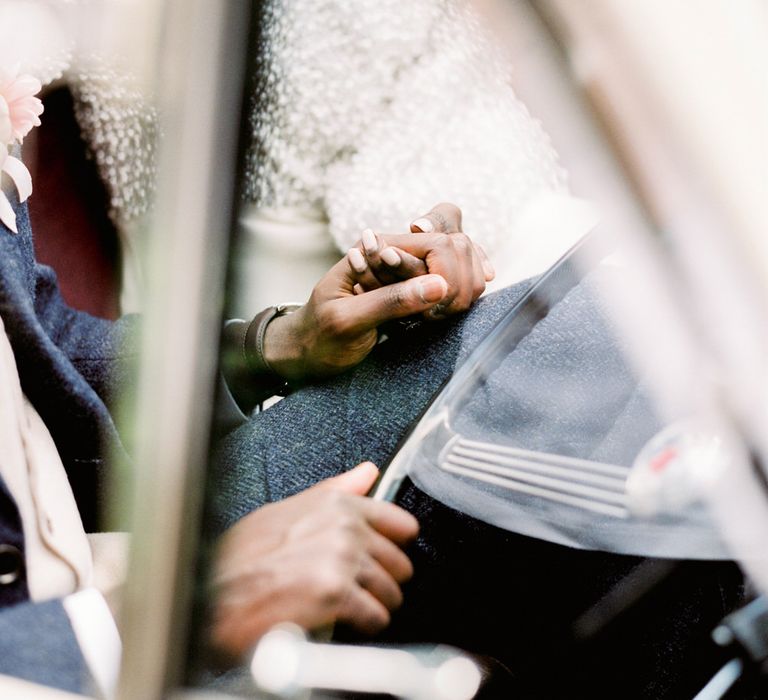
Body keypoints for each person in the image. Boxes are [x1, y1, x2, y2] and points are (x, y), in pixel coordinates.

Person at [0, 121, 495, 697]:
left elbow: (36, 342)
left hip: (94, 546)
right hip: (62, 647)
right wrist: (169, 605)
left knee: (486, 352)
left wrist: (279, 346)